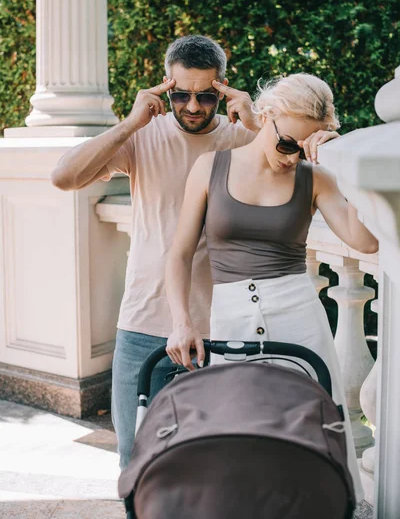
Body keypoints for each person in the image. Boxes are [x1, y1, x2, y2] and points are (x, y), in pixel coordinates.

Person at [51, 36, 339, 470]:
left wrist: (256, 125)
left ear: (223, 88)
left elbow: (298, 157)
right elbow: (64, 177)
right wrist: (131, 122)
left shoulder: (249, 139)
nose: (192, 105)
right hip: (145, 322)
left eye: (205, 95)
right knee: (137, 460)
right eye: (181, 93)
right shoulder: (145, 137)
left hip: (227, 329)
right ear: (165, 89)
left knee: (216, 468)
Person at [165, 72, 378, 503]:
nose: (293, 156)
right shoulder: (211, 167)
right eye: (287, 143)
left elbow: (366, 240)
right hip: (232, 321)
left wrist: (337, 161)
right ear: (267, 117)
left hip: (300, 318)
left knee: (313, 430)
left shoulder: (314, 178)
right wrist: (182, 323)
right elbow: (179, 253)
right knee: (240, 433)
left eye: (304, 147)